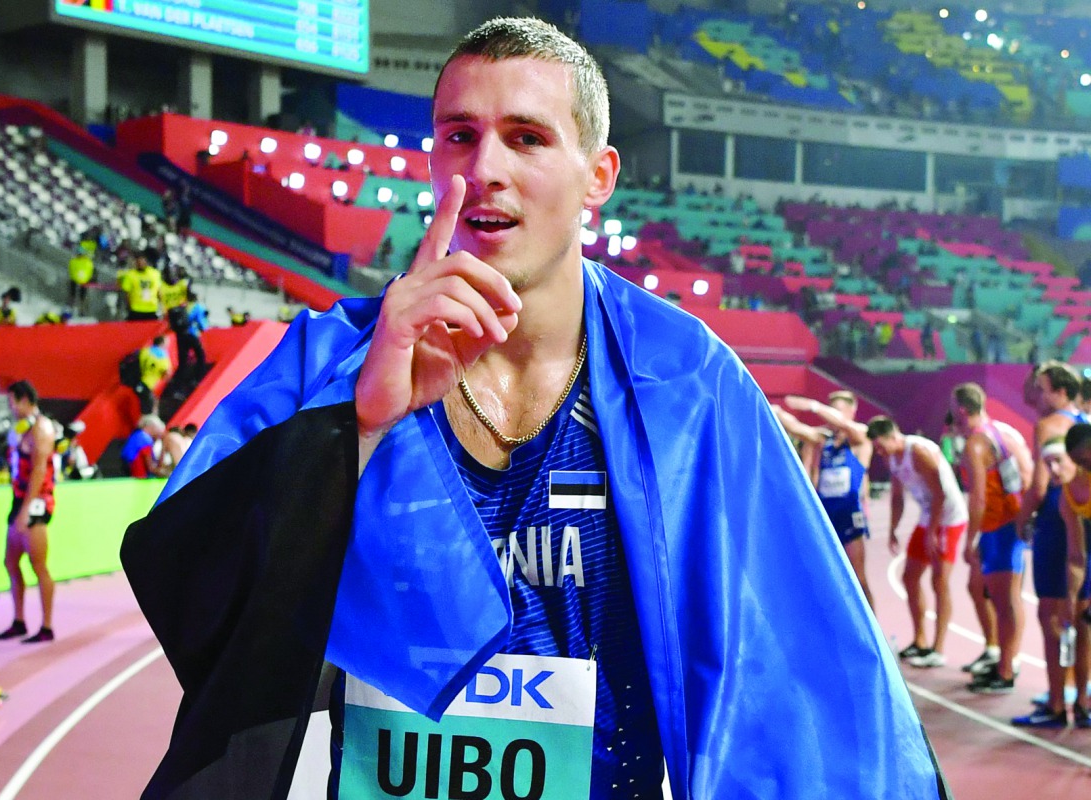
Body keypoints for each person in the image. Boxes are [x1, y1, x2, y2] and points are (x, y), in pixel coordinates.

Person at [120, 18, 946, 800]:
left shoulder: (686, 382)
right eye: (458, 135)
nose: (485, 167)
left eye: (527, 137)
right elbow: (192, 585)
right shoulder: (331, 360)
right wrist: (358, 429)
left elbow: (800, 677)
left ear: (599, 176)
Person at [951, 382, 1033, 693]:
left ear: (961, 409)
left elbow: (978, 499)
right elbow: (1027, 472)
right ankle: (1005, 661)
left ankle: (1006, 671)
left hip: (997, 528)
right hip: (1011, 525)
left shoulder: (976, 443)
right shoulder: (1005, 432)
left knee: (1004, 602)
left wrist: (971, 540)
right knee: (1006, 599)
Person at [869, 417, 968, 667]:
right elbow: (897, 498)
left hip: (949, 518)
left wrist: (933, 532)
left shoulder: (919, 452)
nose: (878, 452)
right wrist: (893, 528)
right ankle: (920, 641)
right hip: (928, 518)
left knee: (939, 581)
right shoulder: (891, 457)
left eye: (880, 446)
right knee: (910, 577)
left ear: (893, 436)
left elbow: (940, 494)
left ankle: (938, 648)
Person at [1012, 436, 1090, 727]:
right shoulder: (1067, 494)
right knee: (1059, 626)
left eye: (1060, 461)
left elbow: (1077, 551)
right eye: (1048, 464)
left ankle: (1072, 703)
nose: (1054, 469)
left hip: (1073, 563)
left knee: (1073, 628)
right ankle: (1064, 702)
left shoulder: (1070, 494)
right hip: (1059, 562)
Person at [781, 391, 877, 610]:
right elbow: (795, 427)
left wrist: (814, 405)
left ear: (852, 412)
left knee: (857, 577)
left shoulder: (859, 437)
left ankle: (874, 633)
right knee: (825, 578)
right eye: (830, 410)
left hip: (850, 513)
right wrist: (771, 409)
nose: (831, 417)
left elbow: (847, 426)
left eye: (838, 411)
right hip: (826, 515)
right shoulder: (823, 439)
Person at [0, 380, 58, 644]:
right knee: (10, 561)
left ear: (24, 400)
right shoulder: (22, 429)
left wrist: (27, 509)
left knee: (38, 565)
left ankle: (47, 626)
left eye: (12, 402)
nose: (11, 407)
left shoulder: (41, 428)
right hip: (20, 500)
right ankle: (19, 621)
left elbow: (40, 471)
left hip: (35, 502)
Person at [1056, 423, 1091, 728]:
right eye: (1079, 462)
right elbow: (1077, 555)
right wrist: (1070, 596)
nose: (1085, 466)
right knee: (1082, 627)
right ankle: (1081, 701)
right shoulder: (1070, 494)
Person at [118, 253, 163, 321]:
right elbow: (127, 294)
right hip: (136, 309)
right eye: (138, 262)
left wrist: (161, 306)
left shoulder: (155, 274)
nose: (140, 264)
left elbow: (159, 291)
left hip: (152, 309)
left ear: (146, 262)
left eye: (142, 261)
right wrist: (128, 307)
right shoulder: (130, 275)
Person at [134, 336, 172, 415]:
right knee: (150, 409)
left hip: (137, 382)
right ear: (162, 344)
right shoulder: (163, 357)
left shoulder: (145, 351)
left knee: (148, 404)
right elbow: (167, 374)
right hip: (148, 384)